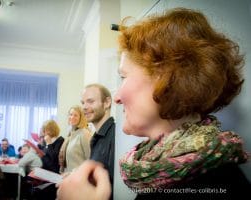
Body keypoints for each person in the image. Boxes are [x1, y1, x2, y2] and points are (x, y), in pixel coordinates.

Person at [57, 8, 250, 200]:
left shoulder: (213, 182)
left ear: (167, 80)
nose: (116, 98)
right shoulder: (163, 171)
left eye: (123, 76)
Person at [81, 84, 115, 186]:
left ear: (107, 103)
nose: (84, 107)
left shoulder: (116, 135)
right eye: (83, 103)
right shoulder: (96, 137)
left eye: (90, 101)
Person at [58, 106, 91, 173]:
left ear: (81, 118)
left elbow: (90, 159)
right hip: (68, 176)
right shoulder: (70, 133)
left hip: (80, 177)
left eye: (75, 115)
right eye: (71, 114)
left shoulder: (84, 133)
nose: (72, 117)